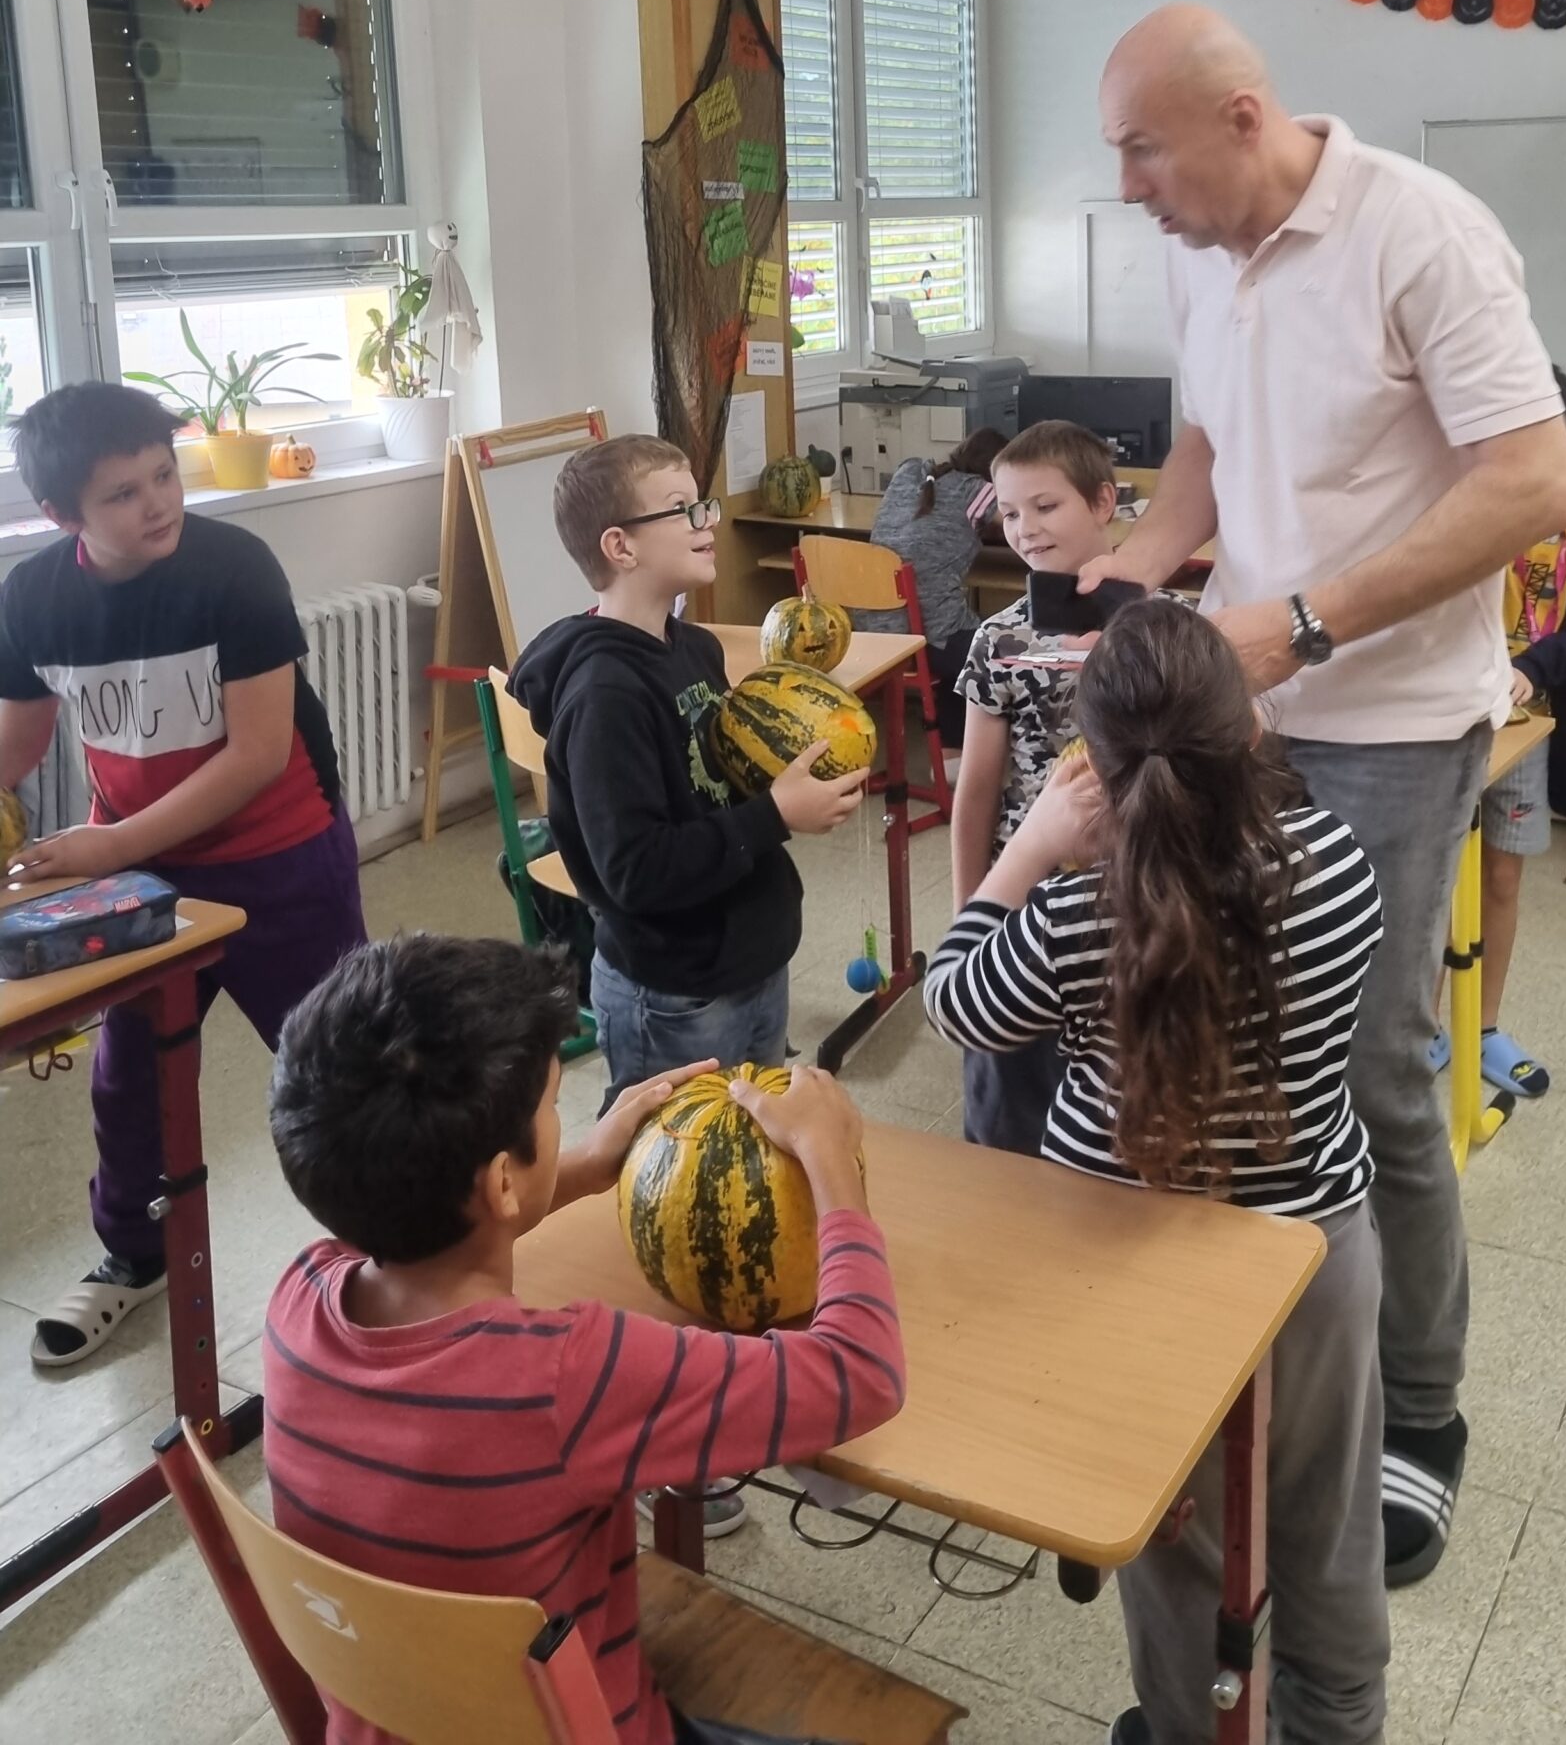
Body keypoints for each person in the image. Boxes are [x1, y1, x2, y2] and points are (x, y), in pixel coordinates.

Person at [1085, 6, 1566, 1585]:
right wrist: (1130, 574)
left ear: (1243, 116)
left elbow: (1535, 481)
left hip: (1388, 722)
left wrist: (1298, 626)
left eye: (1144, 151)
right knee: (1229, 1049)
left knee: (1368, 1070)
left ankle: (1418, 1413)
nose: (1130, 187)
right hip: (1242, 708)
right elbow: (1208, 443)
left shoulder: (1421, 232)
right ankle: (1263, 1346)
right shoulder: (1201, 252)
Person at [925, 600, 1385, 1745]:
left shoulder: (1077, 908)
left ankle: (1191, 1730)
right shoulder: (1335, 862)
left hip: (1129, 1261)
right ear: (1249, 729)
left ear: (1093, 764)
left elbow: (955, 1003)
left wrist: (1030, 848)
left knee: (1180, 1545)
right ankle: (1340, 1723)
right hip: (1313, 1248)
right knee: (1327, 1518)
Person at [263, 932, 904, 1745]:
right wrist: (827, 1156)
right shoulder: (565, 1376)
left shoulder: (296, 1301)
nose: (564, 1124)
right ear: (503, 1180)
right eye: (553, 1108)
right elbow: (861, 1372)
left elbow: (430, 1238)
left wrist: (586, 1165)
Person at [0, 382, 365, 1371]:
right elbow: (15, 748)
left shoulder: (233, 569)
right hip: (141, 871)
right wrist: (105, 849)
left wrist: (109, 846)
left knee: (343, 1064)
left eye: (165, 475)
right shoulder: (32, 599)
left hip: (282, 859)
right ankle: (134, 1251)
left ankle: (398, 1242)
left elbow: (255, 755)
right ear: (62, 515)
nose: (158, 502)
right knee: (131, 1077)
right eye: (123, 494)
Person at [510, 433, 865, 1099]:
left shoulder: (694, 648)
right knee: (678, 1154)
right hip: (675, 993)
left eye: (703, 504)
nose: (708, 521)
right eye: (682, 509)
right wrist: (775, 815)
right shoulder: (605, 696)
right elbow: (636, 870)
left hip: (750, 960)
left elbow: (715, 787)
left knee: (753, 1141)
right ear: (621, 547)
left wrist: (794, 777)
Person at [1432, 363, 1566, 1100]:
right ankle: (1423, 1025)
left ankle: (1483, 1027)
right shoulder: (1450, 502)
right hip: (1441, 721)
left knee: (1503, 876)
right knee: (1432, 880)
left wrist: (1533, 668)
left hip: (1526, 723)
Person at [949, 419, 1125, 1154]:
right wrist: (970, 916)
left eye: (1046, 507)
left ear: (1104, 502)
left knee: (1113, 1117)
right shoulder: (1000, 640)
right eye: (1011, 512)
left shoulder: (1166, 626)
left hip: (1130, 907)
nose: (1025, 529)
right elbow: (975, 791)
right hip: (1022, 907)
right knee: (1006, 1119)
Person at [856, 426, 1007, 748]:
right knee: (992, 650)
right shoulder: (976, 490)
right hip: (923, 640)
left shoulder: (909, 473)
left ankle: (952, 759)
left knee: (969, 637)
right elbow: (1020, 518)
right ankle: (965, 758)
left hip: (873, 630)